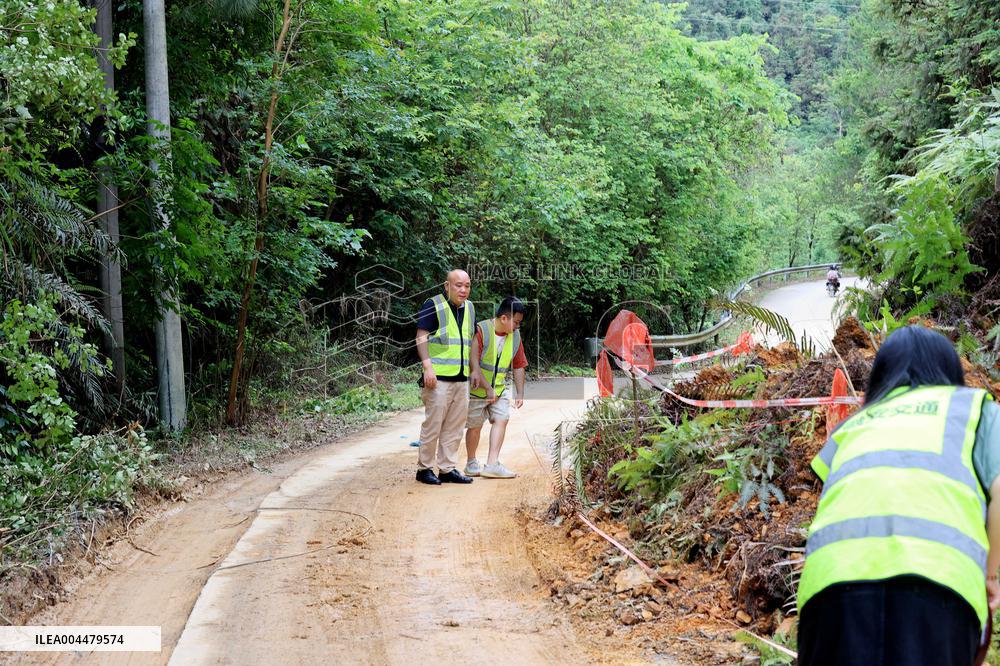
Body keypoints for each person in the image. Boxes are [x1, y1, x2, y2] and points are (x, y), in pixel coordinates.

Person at [797, 325, 1000, 666]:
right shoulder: (973, 409)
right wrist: (991, 576)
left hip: (828, 595)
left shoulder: (853, 426)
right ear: (950, 371)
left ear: (880, 377)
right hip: (936, 592)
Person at [413, 269, 476, 485]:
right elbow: (421, 336)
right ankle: (424, 469)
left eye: (467, 285)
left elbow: (469, 342)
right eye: (458, 285)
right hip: (438, 378)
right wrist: (427, 367)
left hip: (461, 378)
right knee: (434, 424)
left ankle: (447, 469)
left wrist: (474, 370)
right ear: (447, 286)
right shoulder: (434, 304)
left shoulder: (469, 307)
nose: (463, 289)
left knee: (455, 426)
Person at [464, 297, 528, 479]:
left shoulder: (515, 336)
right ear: (504, 319)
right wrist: (486, 388)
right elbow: (473, 363)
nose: (517, 326)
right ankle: (471, 463)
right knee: (475, 427)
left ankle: (492, 463)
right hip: (477, 390)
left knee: (502, 419)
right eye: (516, 322)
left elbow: (519, 364)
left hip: (499, 390)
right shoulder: (482, 330)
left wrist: (520, 392)